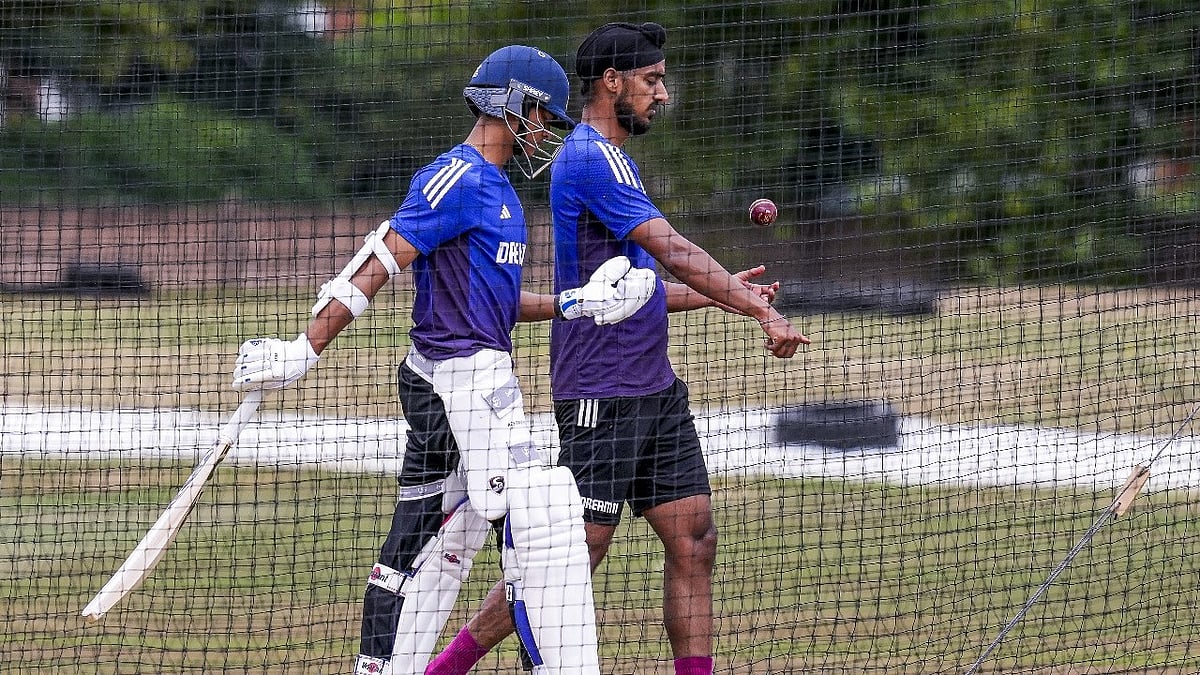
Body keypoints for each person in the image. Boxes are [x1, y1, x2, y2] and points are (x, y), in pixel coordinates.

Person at [229, 44, 657, 675]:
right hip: (459, 378)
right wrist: (304, 349)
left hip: (481, 372)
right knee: (546, 515)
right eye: (543, 115)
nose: (546, 133)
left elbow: (499, 303)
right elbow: (377, 260)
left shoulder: (505, 197)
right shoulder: (457, 177)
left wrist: (578, 303)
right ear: (511, 104)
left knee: (443, 537)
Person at [426, 22, 810, 675]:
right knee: (569, 556)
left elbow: (638, 285)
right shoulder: (587, 156)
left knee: (694, 538)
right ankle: (443, 669)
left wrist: (727, 295)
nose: (663, 94)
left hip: (654, 387)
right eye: (652, 81)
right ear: (612, 82)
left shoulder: (616, 157)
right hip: (600, 390)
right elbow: (673, 250)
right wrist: (759, 309)